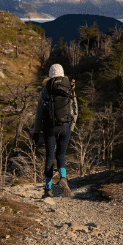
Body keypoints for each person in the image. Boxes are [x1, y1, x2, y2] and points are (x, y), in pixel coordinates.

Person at [32, 64, 78, 198]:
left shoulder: (46, 90)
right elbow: (75, 111)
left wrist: (36, 132)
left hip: (49, 128)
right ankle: (63, 177)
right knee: (61, 155)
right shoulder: (70, 88)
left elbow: (39, 113)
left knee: (49, 157)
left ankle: (48, 190)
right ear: (63, 74)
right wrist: (70, 127)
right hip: (65, 127)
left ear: (50, 75)